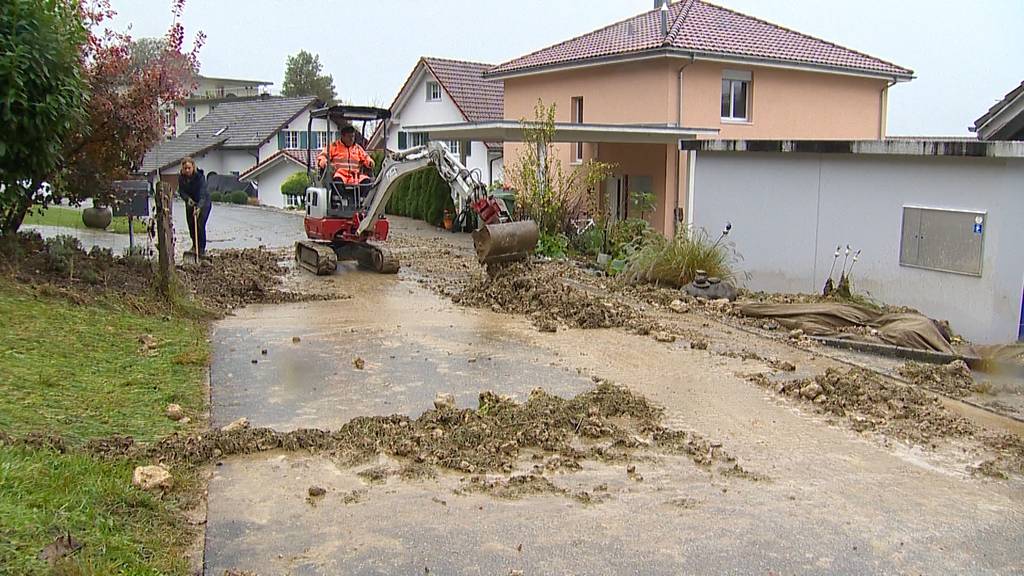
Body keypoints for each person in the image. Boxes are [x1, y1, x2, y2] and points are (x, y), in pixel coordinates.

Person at [177, 156, 211, 259]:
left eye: (189, 168)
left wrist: (199, 207)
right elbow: (181, 191)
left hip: (203, 203)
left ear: (193, 167)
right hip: (190, 203)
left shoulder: (200, 177)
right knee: (191, 224)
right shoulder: (181, 178)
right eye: (185, 168)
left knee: (200, 224)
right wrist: (187, 199)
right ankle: (194, 245)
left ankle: (201, 249)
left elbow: (203, 194)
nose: (187, 170)